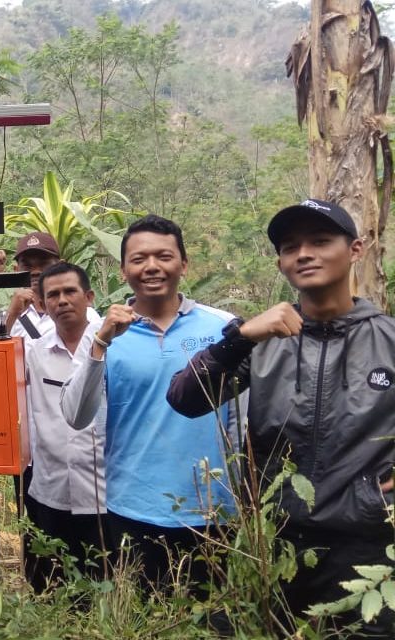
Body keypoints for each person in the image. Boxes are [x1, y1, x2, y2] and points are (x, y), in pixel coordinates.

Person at [167, 199, 395, 635]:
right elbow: (184, 399)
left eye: (321, 241)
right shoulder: (264, 341)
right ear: (280, 263)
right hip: (273, 545)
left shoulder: (387, 338)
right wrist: (241, 336)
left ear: (356, 249)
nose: (304, 253)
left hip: (367, 546)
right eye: (291, 247)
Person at [61, 215, 237, 587]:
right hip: (133, 505)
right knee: (145, 616)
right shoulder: (103, 333)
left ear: (184, 264)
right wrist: (101, 342)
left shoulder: (223, 326)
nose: (152, 267)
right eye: (139, 259)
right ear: (124, 270)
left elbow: (246, 414)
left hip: (214, 507)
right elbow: (76, 415)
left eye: (164, 256)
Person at [24, 262, 106, 590]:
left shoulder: (116, 344)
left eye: (70, 292)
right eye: (52, 295)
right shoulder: (34, 352)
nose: (62, 300)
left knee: (106, 582)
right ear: (42, 305)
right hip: (51, 488)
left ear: (88, 296)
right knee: (52, 586)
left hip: (103, 490)